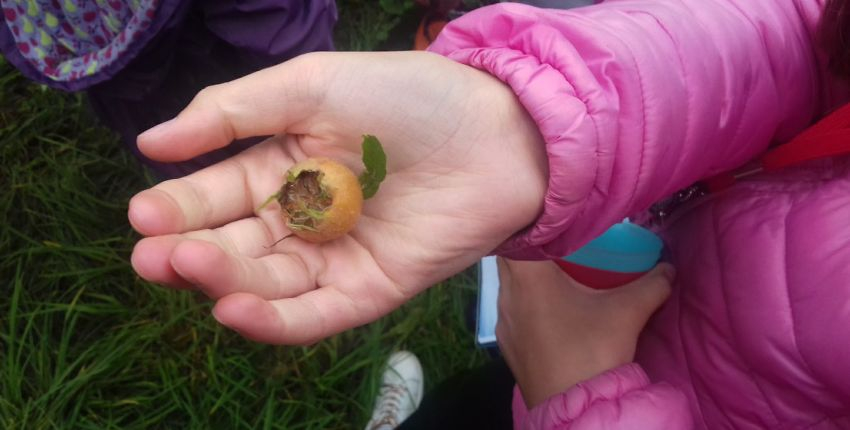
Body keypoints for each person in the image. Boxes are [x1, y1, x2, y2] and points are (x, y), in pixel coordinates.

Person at [126, 0, 850, 428]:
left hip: (607, 381)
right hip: (609, 325)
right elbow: (805, 35)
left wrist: (579, 395)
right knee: (473, 407)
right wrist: (531, 123)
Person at [0, 0, 337, 178]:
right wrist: (313, 88)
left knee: (172, 139)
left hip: (97, 50)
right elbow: (281, 23)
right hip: (166, 69)